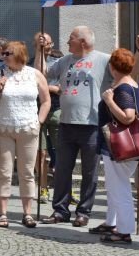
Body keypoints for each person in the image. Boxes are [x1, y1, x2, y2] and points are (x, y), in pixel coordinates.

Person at [39, 26, 111, 227]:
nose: (67, 42)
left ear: (83, 42)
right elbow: (42, 74)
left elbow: (126, 73)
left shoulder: (103, 59)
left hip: (91, 125)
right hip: (66, 123)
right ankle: (60, 210)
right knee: (62, 169)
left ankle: (84, 211)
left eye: (71, 38)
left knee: (90, 172)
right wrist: (40, 51)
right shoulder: (64, 61)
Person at [0, 41, 50, 228]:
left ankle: (27, 213)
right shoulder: (1, 73)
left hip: (28, 129)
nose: (3, 56)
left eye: (7, 53)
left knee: (27, 172)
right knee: (4, 171)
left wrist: (39, 121)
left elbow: (46, 101)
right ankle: (2, 212)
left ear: (19, 54)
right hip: (5, 130)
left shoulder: (35, 74)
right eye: (3, 53)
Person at [89, 49, 139, 244]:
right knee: (114, 186)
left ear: (112, 67)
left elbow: (128, 116)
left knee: (119, 188)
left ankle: (124, 230)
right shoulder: (129, 84)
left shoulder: (124, 88)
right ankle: (111, 222)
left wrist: (109, 101)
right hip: (121, 144)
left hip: (119, 145)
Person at [33, 32, 60, 200]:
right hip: (36, 110)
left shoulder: (59, 59)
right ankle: (42, 187)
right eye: (42, 43)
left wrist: (49, 88)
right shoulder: (30, 61)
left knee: (62, 151)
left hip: (57, 109)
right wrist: (50, 88)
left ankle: (64, 187)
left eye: (49, 42)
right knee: (40, 152)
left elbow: (61, 86)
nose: (47, 45)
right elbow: (37, 78)